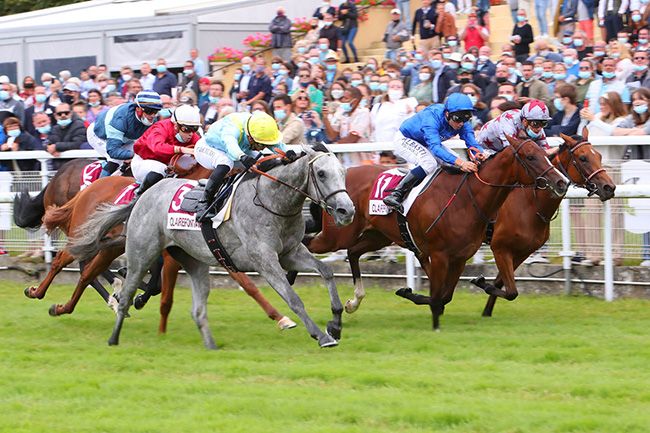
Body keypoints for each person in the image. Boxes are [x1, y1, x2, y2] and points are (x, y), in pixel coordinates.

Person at [383, 93, 488, 211]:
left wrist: (479, 153)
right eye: (458, 119)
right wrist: (461, 163)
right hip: (406, 139)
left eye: (466, 119)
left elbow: (471, 142)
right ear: (447, 114)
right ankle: (396, 194)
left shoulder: (461, 121)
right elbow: (435, 148)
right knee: (429, 163)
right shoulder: (432, 116)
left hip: (426, 142)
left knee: (456, 160)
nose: (461, 124)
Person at [194, 111, 286, 220]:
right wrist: (242, 156)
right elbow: (230, 145)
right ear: (250, 138)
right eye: (261, 145)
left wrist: (286, 153)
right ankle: (203, 204)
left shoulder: (257, 128)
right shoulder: (233, 128)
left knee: (262, 161)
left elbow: (276, 145)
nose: (263, 148)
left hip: (234, 149)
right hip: (208, 148)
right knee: (226, 162)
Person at [87, 91, 162, 177]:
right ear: (138, 109)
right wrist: (135, 155)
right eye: (149, 111)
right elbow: (113, 151)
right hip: (99, 135)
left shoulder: (153, 119)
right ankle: (100, 183)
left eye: (156, 111)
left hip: (126, 137)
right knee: (115, 160)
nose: (152, 115)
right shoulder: (120, 119)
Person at [132, 105, 200, 197]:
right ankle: (138, 197)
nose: (191, 134)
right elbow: (157, 147)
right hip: (144, 161)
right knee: (161, 169)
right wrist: (181, 149)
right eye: (186, 129)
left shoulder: (192, 135)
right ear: (176, 125)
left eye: (194, 129)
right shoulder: (161, 127)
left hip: (168, 163)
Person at [477, 99, 555, 155]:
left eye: (544, 123)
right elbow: (511, 151)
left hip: (501, 150)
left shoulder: (536, 124)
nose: (540, 128)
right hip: (484, 149)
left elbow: (545, 152)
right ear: (525, 121)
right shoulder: (508, 121)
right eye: (535, 124)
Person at [46, 103, 87, 169]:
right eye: (59, 114)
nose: (63, 115)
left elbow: (78, 144)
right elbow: (47, 143)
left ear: (71, 113)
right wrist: (50, 148)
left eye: (66, 113)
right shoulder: (55, 128)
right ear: (55, 116)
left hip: (75, 166)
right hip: (58, 167)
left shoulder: (79, 125)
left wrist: (57, 147)